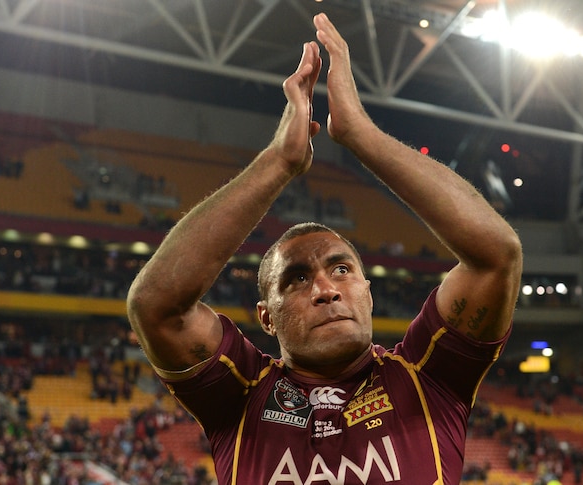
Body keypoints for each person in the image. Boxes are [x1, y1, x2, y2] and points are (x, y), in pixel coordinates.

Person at [126, 12, 522, 485]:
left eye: (341, 270)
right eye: (295, 278)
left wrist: (360, 134)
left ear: (368, 293)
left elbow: (496, 256)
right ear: (266, 316)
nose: (325, 290)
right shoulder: (240, 396)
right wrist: (279, 161)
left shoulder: (427, 377)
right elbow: (156, 307)